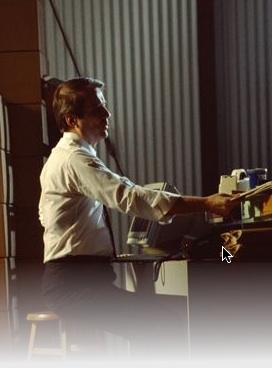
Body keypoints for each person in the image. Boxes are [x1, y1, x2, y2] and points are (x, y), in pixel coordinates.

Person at [39, 77, 238, 361]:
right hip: (73, 285)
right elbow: (130, 197)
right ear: (73, 119)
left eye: (105, 107)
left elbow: (47, 217)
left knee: (155, 323)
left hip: (75, 280)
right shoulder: (74, 160)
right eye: (97, 110)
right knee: (161, 323)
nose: (107, 115)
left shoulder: (60, 159)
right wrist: (206, 203)